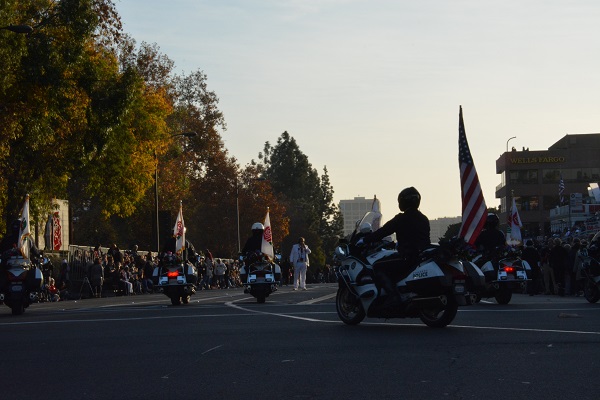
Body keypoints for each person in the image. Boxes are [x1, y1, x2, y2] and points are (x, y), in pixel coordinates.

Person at [358, 187, 430, 303]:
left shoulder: (401, 219)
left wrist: (365, 240)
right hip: (421, 256)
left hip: (406, 257)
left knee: (377, 266)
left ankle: (393, 295)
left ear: (403, 202)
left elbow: (383, 231)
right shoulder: (424, 219)